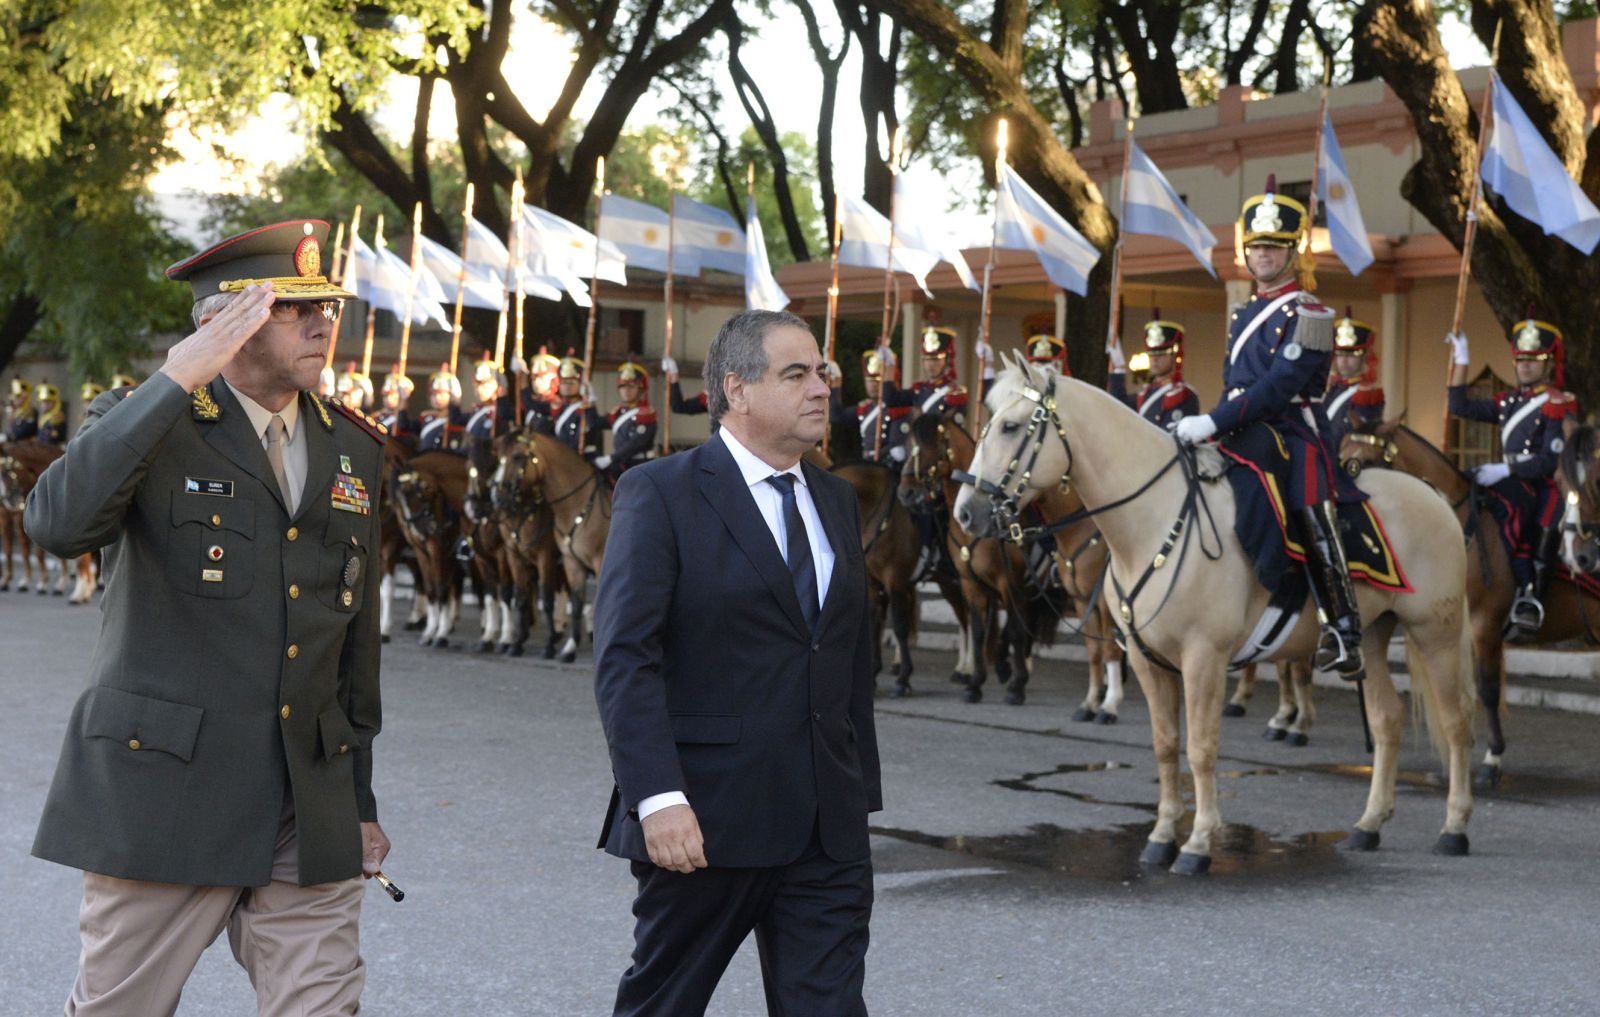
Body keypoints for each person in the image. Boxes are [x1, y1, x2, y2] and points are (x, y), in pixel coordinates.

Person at [23, 219, 390, 1016]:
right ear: (222, 323)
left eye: (324, 303)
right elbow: (55, 524)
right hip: (166, 794)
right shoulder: (150, 423)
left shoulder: (354, 451)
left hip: (308, 803)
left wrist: (359, 802)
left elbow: (352, 645)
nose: (322, 322)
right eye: (292, 308)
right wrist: (175, 380)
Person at [594, 308, 880, 1017]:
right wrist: (656, 795)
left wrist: (854, 787)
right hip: (703, 825)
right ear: (738, 389)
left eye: (822, 372)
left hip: (825, 831)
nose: (821, 388)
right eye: (797, 374)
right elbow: (627, 657)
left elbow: (847, 656)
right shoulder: (661, 491)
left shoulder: (837, 498)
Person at [1173, 176, 1364, 680]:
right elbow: (1235, 383)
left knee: (1310, 510)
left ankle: (1342, 624)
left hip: (1294, 430)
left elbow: (1277, 389)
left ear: (1292, 252)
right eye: (1256, 247)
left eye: (1274, 247)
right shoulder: (1242, 314)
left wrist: (1211, 421)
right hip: (1240, 426)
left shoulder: (1314, 314)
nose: (1263, 256)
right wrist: (1211, 424)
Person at [1447, 316, 1576, 637]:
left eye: (1534, 361)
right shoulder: (1508, 402)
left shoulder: (1558, 404)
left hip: (1541, 483)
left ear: (1549, 365)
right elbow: (1459, 406)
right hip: (1508, 480)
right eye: (1521, 360)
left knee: (1543, 531)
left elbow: (1548, 460)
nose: (1525, 367)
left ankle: (1531, 597)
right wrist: (1462, 360)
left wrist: (1507, 469)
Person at [1108, 312, 1199, 430]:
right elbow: (1118, 407)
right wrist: (1118, 369)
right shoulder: (1145, 393)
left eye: (1161, 354)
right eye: (1151, 355)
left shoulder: (1184, 395)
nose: (1155, 359)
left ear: (1174, 356)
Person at [829, 348, 911, 468]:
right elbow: (836, 416)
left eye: (878, 381)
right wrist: (837, 381)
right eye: (869, 380)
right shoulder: (865, 410)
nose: (873, 385)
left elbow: (897, 448)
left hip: (888, 466)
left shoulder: (896, 409)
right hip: (867, 464)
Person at [1323, 309, 1385, 450]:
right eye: (1340, 354)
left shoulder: (1368, 392)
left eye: (1352, 354)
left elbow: (1363, 435)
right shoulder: (1332, 387)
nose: (1344, 360)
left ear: (1364, 356)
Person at [885, 326, 970, 424]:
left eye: (936, 359)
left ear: (946, 361)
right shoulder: (919, 390)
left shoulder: (954, 394)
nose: (931, 364)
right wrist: (890, 367)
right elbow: (890, 399)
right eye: (927, 359)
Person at [595, 358, 658, 475]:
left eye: (631, 386)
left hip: (641, 465)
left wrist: (611, 458)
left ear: (640, 389)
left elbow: (636, 443)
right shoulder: (618, 412)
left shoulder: (646, 414)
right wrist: (589, 403)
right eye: (623, 386)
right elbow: (595, 424)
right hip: (620, 464)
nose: (626, 391)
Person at [551, 350, 602, 462]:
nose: (567, 387)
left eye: (572, 383)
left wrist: (589, 402)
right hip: (563, 459)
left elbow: (593, 426)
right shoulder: (560, 407)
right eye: (564, 382)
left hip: (584, 459)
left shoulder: (586, 407)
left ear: (581, 385)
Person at [419, 363, 466, 452]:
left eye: (441, 394)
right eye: (434, 394)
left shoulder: (455, 420)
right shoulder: (427, 417)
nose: (437, 398)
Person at [376, 365, 418, 438]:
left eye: (393, 394)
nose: (389, 398)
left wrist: (403, 402)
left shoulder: (404, 420)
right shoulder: (375, 417)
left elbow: (403, 427)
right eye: (386, 395)